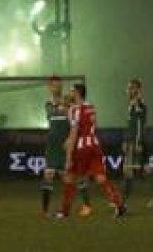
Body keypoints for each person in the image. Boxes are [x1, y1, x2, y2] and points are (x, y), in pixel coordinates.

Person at [57, 82, 126, 218]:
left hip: (81, 148)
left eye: (71, 91)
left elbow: (74, 131)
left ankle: (64, 211)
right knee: (100, 177)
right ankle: (119, 205)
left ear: (77, 92)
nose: (70, 93)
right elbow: (93, 125)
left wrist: (69, 157)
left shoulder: (75, 110)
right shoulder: (91, 107)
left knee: (69, 177)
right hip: (94, 144)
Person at [41, 77, 92, 217]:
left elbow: (74, 120)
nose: (58, 88)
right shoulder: (48, 104)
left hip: (67, 145)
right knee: (48, 176)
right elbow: (52, 116)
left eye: (59, 86)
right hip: (53, 145)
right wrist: (63, 106)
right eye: (55, 86)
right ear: (49, 87)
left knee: (72, 177)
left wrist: (71, 139)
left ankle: (86, 205)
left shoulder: (70, 104)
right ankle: (44, 211)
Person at [121, 78, 147, 207]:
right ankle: (122, 200)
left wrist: (138, 142)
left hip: (135, 142)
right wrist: (125, 139)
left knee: (133, 170)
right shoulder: (132, 104)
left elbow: (139, 125)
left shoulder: (139, 104)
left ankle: (122, 202)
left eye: (131, 88)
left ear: (137, 89)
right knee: (130, 170)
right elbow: (130, 125)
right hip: (130, 141)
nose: (129, 90)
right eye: (129, 88)